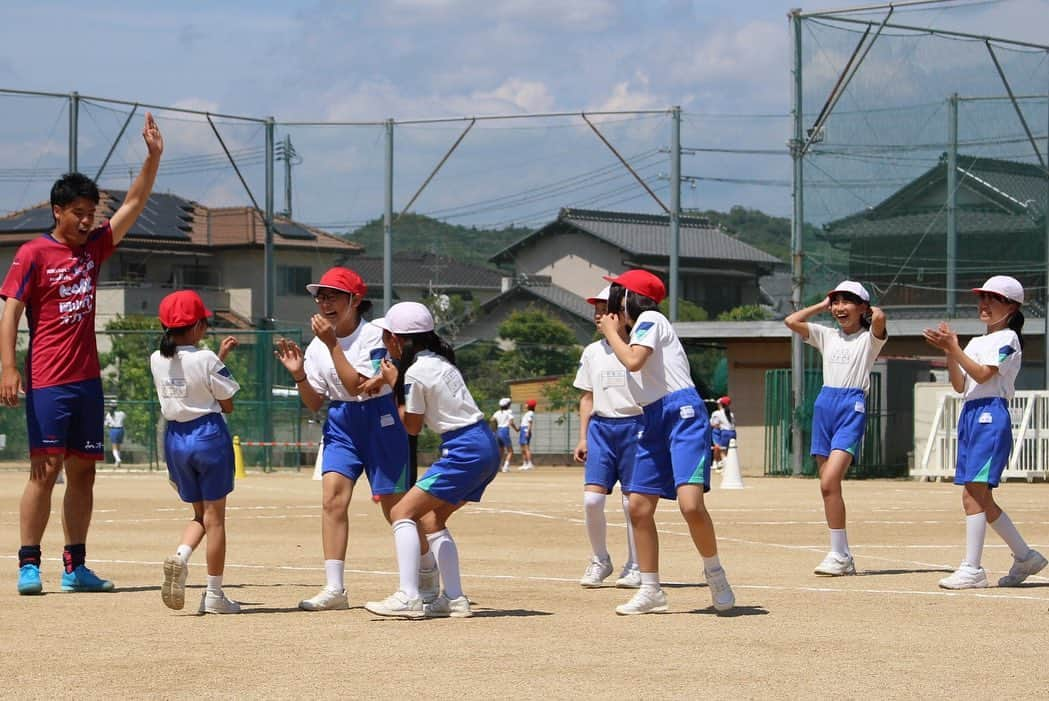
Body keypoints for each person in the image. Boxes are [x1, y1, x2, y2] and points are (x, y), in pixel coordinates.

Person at [1, 113, 163, 596]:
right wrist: (8, 366)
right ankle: (30, 564)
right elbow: (9, 310)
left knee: (84, 473)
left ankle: (76, 567)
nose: (88, 219)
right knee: (44, 470)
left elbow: (134, 203)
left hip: (87, 382)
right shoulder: (33, 253)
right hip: (47, 380)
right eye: (79, 212)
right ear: (57, 210)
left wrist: (152, 158)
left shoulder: (93, 249)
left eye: (92, 211)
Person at [274, 267, 412, 611]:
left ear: (356, 300)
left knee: (397, 509)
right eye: (320, 296)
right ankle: (335, 588)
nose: (324, 302)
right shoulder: (318, 347)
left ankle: (422, 580)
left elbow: (358, 385)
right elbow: (315, 401)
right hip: (340, 422)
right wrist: (300, 375)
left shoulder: (376, 334)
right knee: (332, 500)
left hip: (380, 418)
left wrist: (332, 343)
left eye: (333, 295)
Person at [597, 269, 735, 615]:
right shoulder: (636, 332)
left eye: (614, 296)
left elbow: (633, 361)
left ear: (629, 298)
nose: (608, 307)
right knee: (638, 506)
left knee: (690, 504)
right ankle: (651, 589)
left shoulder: (651, 319)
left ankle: (714, 572)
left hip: (682, 412)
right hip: (651, 417)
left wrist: (612, 333)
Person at [363, 302, 500, 618]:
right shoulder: (439, 361)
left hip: (463, 449)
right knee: (431, 519)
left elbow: (410, 426)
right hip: (484, 444)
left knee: (401, 513)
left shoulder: (413, 373)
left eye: (386, 336)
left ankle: (408, 596)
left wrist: (394, 383)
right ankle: (454, 599)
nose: (384, 342)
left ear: (397, 340)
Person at [922, 275, 1047, 589]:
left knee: (974, 492)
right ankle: (1024, 556)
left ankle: (973, 568)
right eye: (983, 297)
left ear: (1012, 306)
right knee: (976, 494)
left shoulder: (1009, 340)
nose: (985, 304)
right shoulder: (977, 343)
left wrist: (953, 347)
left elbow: (983, 373)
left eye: (994, 298)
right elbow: (961, 384)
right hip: (971, 413)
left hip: (991, 414)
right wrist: (951, 352)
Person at [784, 280, 887, 576]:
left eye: (848, 301)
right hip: (824, 404)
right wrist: (821, 305)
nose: (840, 307)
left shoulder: (870, 339)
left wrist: (870, 309)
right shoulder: (826, 335)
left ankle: (840, 555)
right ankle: (840, 554)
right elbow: (792, 321)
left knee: (829, 481)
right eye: (836, 302)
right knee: (828, 487)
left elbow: (880, 319)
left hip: (851, 405)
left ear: (862, 307)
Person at [150, 291, 242, 614]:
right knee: (216, 520)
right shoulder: (206, 359)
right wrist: (219, 358)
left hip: (175, 439)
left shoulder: (156, 358)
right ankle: (214, 594)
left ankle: (180, 557)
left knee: (200, 515)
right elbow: (226, 403)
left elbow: (189, 379)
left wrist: (219, 357)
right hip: (208, 436)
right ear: (199, 326)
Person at [573, 285, 642, 589]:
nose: (598, 314)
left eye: (604, 307)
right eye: (596, 308)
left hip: (636, 427)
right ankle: (600, 559)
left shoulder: (641, 345)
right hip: (602, 429)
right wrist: (583, 437)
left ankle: (636, 564)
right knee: (591, 500)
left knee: (632, 503)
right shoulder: (591, 352)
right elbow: (587, 398)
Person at [491, 397, 518, 472]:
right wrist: (516, 429)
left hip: (498, 431)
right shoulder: (509, 412)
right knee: (510, 451)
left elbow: (492, 419)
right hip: (504, 431)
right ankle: (506, 466)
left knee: (501, 451)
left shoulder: (497, 412)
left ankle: (498, 466)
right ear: (508, 405)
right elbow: (511, 422)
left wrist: (494, 428)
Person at [709, 396, 736, 472]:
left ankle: (726, 468)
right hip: (733, 433)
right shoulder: (731, 414)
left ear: (720, 404)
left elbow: (714, 424)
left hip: (725, 433)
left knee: (722, 452)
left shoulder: (717, 413)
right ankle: (724, 466)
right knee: (728, 452)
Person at [519, 399, 537, 470]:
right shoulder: (527, 413)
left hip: (525, 430)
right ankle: (524, 463)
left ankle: (529, 463)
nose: (525, 405)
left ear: (529, 405)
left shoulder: (530, 413)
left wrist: (527, 432)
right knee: (522, 448)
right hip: (523, 430)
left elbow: (530, 422)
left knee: (526, 448)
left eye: (526, 404)